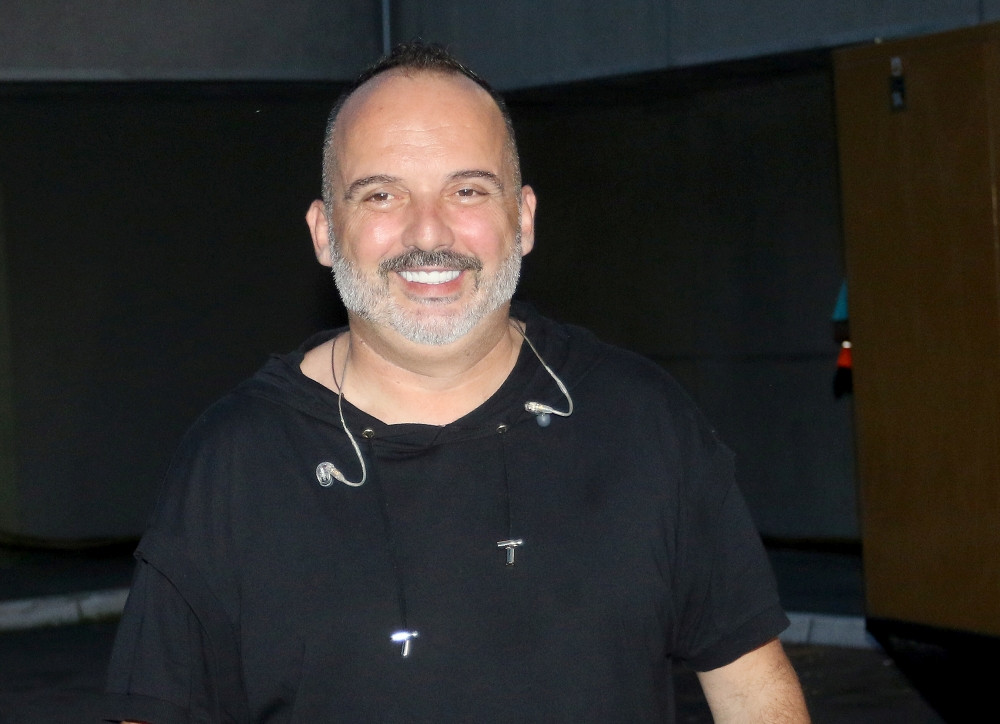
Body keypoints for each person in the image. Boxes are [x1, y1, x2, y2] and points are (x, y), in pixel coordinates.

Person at [102, 42, 810, 723]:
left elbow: (754, 694)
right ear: (324, 232)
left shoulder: (640, 420)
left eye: (467, 190)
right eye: (382, 195)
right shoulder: (236, 461)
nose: (428, 233)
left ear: (522, 219)